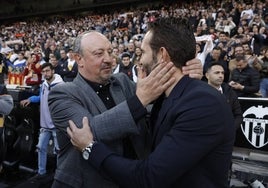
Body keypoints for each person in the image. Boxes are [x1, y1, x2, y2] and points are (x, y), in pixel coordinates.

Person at [67, 17, 235, 188]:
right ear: (78, 59)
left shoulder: (202, 103)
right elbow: (87, 127)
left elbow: (149, 177)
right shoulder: (170, 98)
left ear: (162, 55)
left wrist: (90, 148)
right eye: (98, 53)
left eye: (143, 52)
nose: (140, 61)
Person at [48, 29, 203, 188]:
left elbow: (154, 101)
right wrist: (139, 100)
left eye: (110, 51)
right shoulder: (61, 94)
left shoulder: (121, 81)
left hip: (134, 177)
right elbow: (90, 132)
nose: (109, 59)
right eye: (99, 53)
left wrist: (184, 75)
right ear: (78, 59)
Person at [20, 62, 63, 178]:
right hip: (45, 124)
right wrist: (30, 99)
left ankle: (59, 175)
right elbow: (41, 97)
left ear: (53, 71)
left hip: (56, 125)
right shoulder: (44, 84)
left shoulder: (60, 86)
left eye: (47, 71)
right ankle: (41, 172)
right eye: (43, 72)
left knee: (59, 151)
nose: (45, 73)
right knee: (41, 148)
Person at [205, 62, 243, 129]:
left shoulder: (231, 93)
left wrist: (230, 129)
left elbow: (238, 116)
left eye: (222, 73)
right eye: (217, 73)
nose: (221, 75)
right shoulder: (199, 92)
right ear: (207, 75)